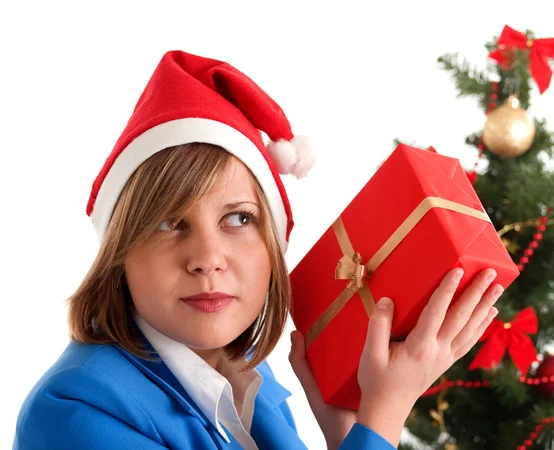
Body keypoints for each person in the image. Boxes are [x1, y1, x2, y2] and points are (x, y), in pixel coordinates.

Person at [13, 50, 503, 450]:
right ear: (119, 256)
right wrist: (383, 417)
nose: (207, 257)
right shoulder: (73, 413)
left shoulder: (249, 375)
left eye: (238, 219)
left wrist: (346, 435)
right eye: (168, 223)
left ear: (272, 246)